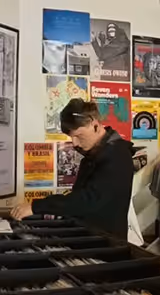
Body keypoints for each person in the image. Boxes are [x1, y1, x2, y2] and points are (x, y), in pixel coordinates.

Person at [11, 99, 135, 238]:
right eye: (71, 137)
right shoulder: (94, 155)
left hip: (106, 243)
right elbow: (78, 199)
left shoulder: (117, 156)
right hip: (88, 236)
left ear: (95, 125)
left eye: (78, 135)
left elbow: (86, 201)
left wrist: (37, 207)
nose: (74, 143)